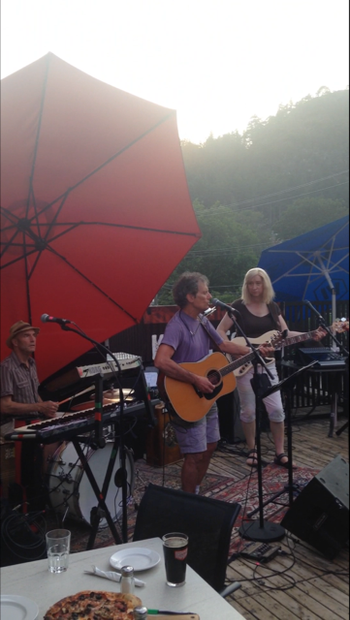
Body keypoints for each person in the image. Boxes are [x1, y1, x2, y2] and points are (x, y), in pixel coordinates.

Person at [154, 271, 272, 493]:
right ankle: (188, 501)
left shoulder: (202, 321)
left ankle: (196, 491)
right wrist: (195, 379)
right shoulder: (177, 325)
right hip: (185, 397)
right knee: (194, 454)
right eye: (205, 292)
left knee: (210, 446)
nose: (210, 296)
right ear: (190, 297)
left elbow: (224, 346)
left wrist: (254, 350)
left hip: (206, 397)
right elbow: (160, 360)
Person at [216, 268, 326, 467]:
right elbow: (220, 331)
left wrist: (311, 334)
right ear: (246, 285)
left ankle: (279, 453)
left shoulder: (273, 307)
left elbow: (286, 333)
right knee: (248, 411)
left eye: (258, 283)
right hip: (244, 366)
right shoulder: (238, 306)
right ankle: (252, 450)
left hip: (268, 366)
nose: (254, 287)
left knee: (276, 410)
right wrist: (235, 350)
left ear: (264, 284)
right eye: (251, 283)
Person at [1, 320, 59, 508]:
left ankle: (41, 498)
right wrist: (40, 407)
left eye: (34, 335)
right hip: (15, 425)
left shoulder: (32, 363)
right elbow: (5, 406)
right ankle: (26, 505)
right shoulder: (6, 367)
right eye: (27, 335)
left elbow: (35, 397)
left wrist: (46, 407)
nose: (33, 339)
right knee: (25, 470)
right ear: (15, 342)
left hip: (33, 420)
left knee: (61, 433)